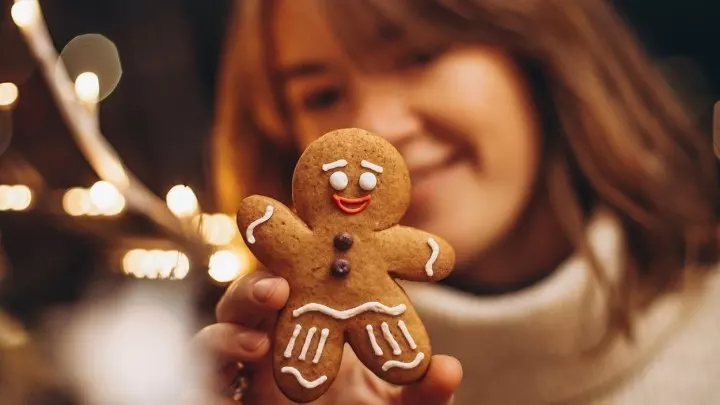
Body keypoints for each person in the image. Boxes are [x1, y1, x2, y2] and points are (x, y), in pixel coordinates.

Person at [194, 0, 720, 403]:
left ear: (532, 49)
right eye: (322, 95)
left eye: (418, 54)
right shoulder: (309, 377)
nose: (378, 128)